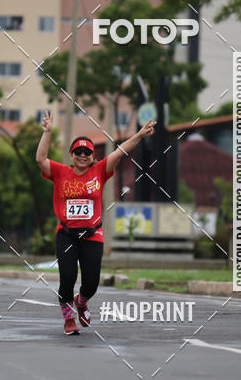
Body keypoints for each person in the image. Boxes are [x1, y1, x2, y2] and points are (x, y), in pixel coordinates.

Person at [36, 110, 155, 335]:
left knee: (91, 282)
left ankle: (81, 301)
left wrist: (139, 135)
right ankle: (69, 318)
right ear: (71, 154)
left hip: (92, 235)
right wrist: (48, 133)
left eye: (87, 152)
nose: (82, 155)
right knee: (67, 278)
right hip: (66, 235)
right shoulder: (61, 173)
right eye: (78, 151)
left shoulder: (99, 172)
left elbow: (119, 152)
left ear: (93, 156)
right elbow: (40, 159)